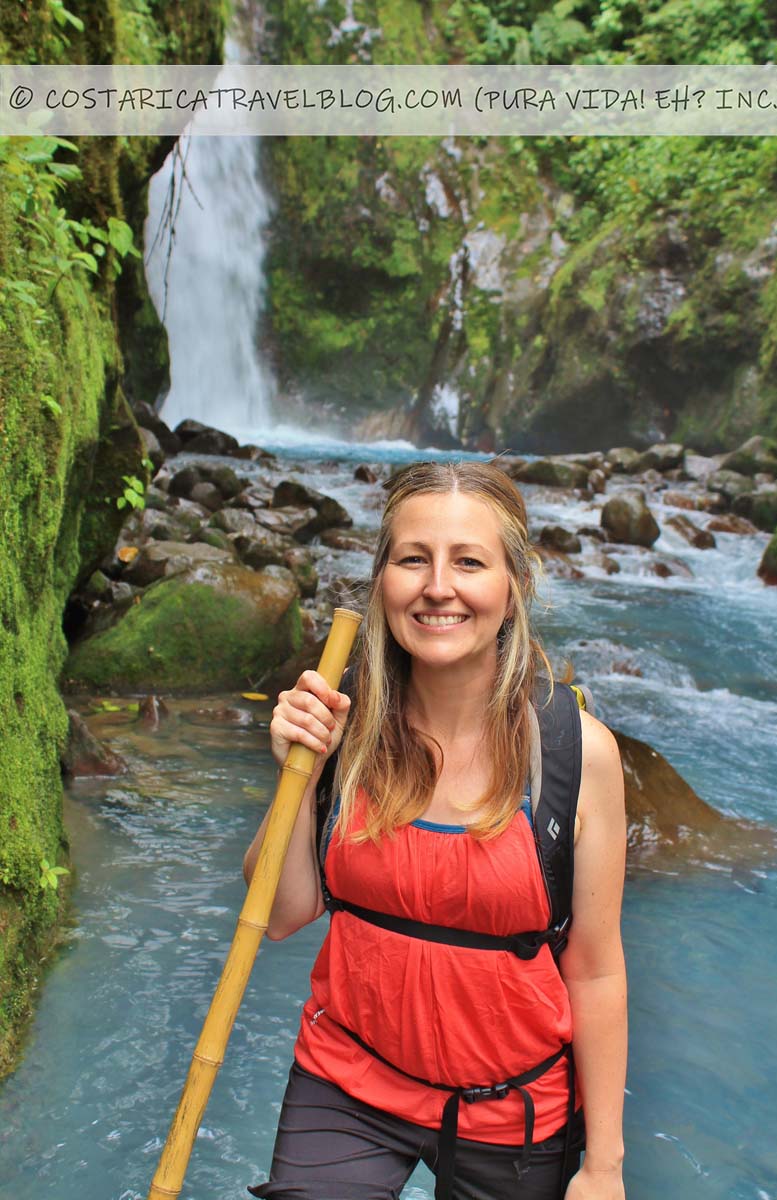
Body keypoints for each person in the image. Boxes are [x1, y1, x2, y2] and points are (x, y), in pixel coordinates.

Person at [244, 460, 627, 1200]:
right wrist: (298, 773)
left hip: (512, 1107)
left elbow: (595, 969)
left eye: (469, 562)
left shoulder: (578, 755)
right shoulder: (340, 723)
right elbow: (283, 915)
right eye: (413, 559)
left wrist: (603, 1166)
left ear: (513, 587)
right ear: (381, 580)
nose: (438, 587)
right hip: (347, 1078)